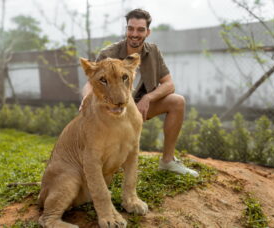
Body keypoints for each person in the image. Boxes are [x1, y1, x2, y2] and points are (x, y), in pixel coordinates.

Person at [81, 8, 198, 177]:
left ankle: (168, 161)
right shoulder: (108, 53)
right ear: (126, 29)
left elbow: (169, 84)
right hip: (113, 109)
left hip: (140, 108)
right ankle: (104, 164)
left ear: (147, 32)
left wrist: (148, 98)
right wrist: (86, 98)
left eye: (140, 29)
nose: (134, 34)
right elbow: (91, 83)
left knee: (177, 101)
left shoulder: (154, 52)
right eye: (131, 28)